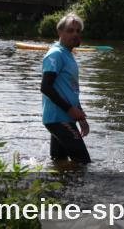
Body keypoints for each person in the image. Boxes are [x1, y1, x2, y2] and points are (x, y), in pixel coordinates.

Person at [39, 13, 91, 164]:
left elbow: (70, 90)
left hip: (64, 118)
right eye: (70, 30)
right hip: (58, 118)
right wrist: (69, 109)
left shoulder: (68, 54)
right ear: (60, 32)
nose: (75, 34)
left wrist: (80, 116)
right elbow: (45, 87)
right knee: (83, 163)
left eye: (78, 31)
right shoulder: (56, 54)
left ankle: (59, 187)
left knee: (59, 161)